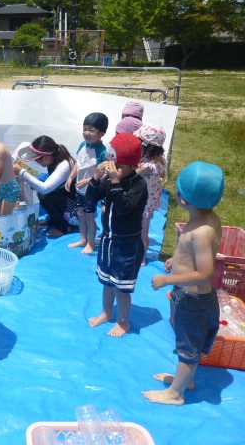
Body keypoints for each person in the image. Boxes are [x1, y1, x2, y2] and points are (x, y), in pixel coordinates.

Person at [143, 162, 225, 406]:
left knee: (188, 349)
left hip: (194, 300)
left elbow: (205, 273)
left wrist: (168, 279)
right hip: (194, 298)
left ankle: (176, 393)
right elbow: (192, 255)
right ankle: (185, 380)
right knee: (191, 344)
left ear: (183, 200)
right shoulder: (207, 219)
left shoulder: (201, 232)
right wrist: (174, 259)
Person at [86, 133, 147, 337]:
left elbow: (123, 208)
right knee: (106, 281)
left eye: (116, 164)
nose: (112, 167)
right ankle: (107, 312)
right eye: (111, 163)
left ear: (130, 164)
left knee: (121, 287)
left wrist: (115, 182)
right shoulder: (113, 179)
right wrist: (96, 179)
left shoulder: (139, 185)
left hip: (127, 244)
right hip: (108, 240)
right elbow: (90, 201)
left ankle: (123, 321)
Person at [14, 136, 76, 237]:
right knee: (42, 190)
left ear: (46, 157)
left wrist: (22, 172)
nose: (35, 162)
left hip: (77, 210)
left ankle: (64, 227)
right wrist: (12, 160)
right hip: (66, 196)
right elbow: (24, 144)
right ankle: (55, 220)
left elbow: (45, 188)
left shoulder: (65, 164)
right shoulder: (55, 157)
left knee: (44, 194)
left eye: (36, 160)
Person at [66, 112, 108, 254]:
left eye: (91, 130)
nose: (86, 133)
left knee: (89, 216)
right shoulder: (83, 145)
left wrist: (88, 181)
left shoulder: (103, 152)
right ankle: (83, 239)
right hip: (80, 188)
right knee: (80, 213)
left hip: (91, 189)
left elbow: (104, 174)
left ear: (102, 133)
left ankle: (91, 243)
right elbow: (79, 162)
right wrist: (71, 177)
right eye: (85, 129)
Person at [135, 123, 167, 265]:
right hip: (150, 196)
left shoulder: (148, 166)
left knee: (142, 230)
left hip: (144, 201)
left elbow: (132, 175)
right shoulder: (160, 159)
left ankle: (141, 257)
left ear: (150, 147)